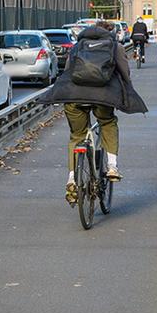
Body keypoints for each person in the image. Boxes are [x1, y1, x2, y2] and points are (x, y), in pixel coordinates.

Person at [39, 20, 148, 202]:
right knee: (107, 122)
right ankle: (112, 166)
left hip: (74, 96)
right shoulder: (115, 46)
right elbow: (125, 74)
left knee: (77, 136)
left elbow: (67, 72)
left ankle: (72, 179)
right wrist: (127, 93)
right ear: (110, 32)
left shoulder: (78, 46)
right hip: (103, 96)